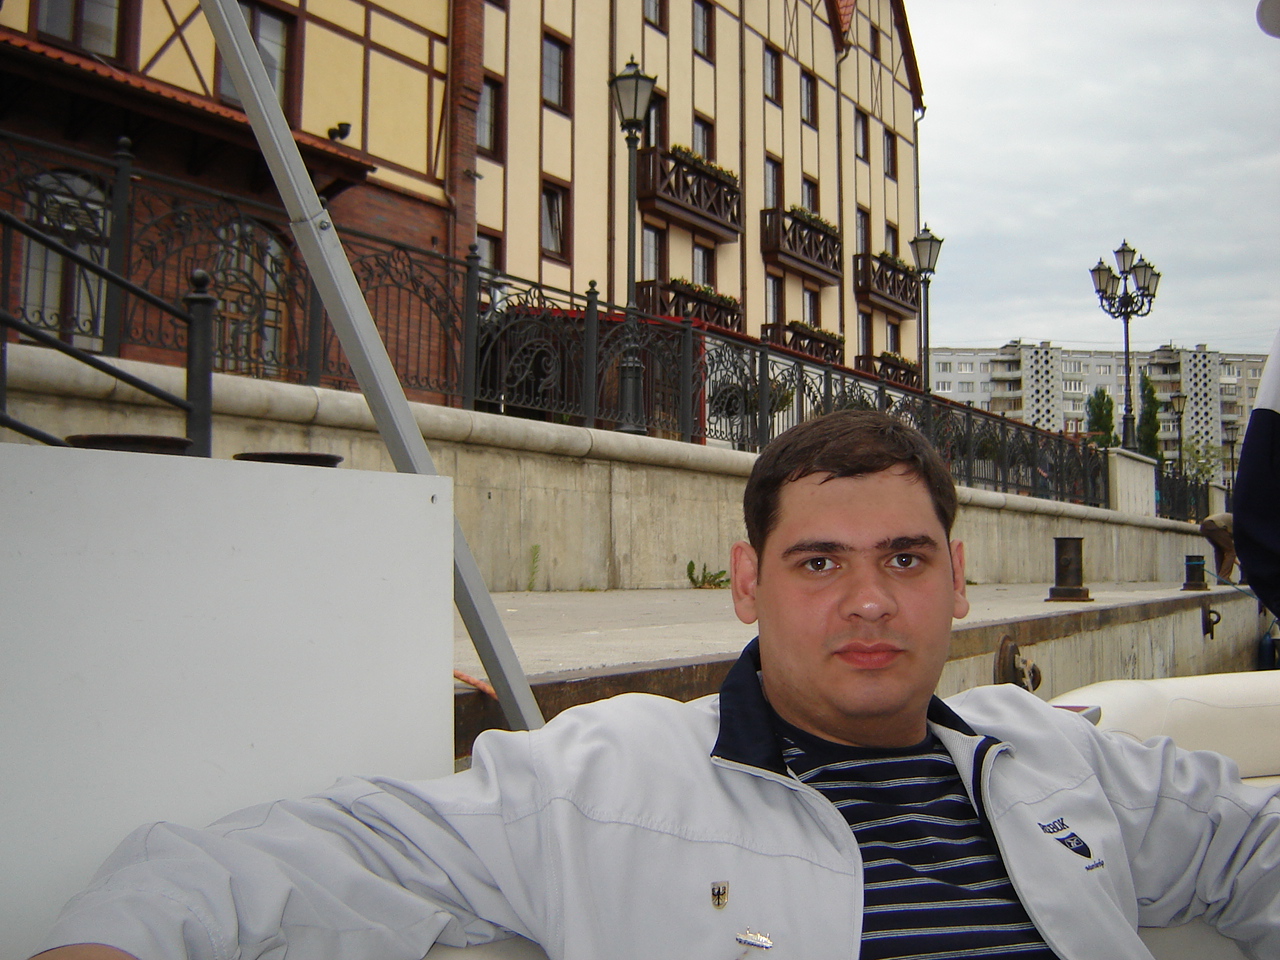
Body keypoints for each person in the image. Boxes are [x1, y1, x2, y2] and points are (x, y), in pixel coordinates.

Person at [32, 411, 1280, 960]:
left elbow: (1247, 845)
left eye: (903, 560)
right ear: (745, 585)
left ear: (957, 583)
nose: (866, 602)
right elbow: (309, 851)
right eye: (817, 563)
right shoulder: (608, 778)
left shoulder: (1058, 756)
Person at [1199, 512, 1237, 584]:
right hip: (1214, 526)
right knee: (1231, 552)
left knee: (1220, 550)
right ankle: (1224, 578)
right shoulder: (1239, 524)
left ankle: (1221, 577)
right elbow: (1232, 548)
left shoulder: (1234, 520)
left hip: (1204, 526)